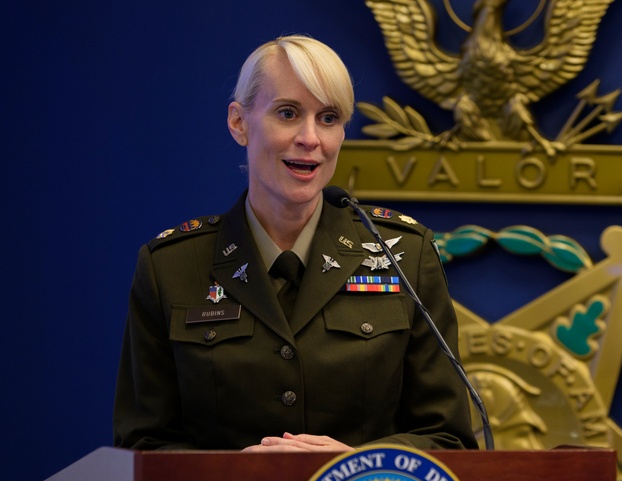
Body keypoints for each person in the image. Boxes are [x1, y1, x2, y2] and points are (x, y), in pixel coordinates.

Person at [113, 34, 477, 455]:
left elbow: (450, 440)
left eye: (329, 118)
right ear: (239, 122)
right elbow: (140, 448)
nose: (311, 138)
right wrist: (233, 476)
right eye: (288, 113)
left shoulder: (405, 256)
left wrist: (355, 468)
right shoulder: (171, 268)